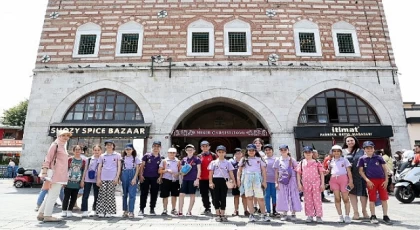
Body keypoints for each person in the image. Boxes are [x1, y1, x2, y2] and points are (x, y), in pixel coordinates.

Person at [37, 129, 72, 222]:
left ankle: (41, 213)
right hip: (55, 174)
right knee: (53, 195)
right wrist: (44, 171)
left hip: (60, 174)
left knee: (51, 194)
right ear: (58, 136)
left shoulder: (62, 146)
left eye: (67, 135)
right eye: (63, 135)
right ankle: (48, 215)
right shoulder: (55, 145)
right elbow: (48, 158)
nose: (65, 137)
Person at [358, 141, 392, 225]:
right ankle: (373, 215)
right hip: (371, 181)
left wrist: (386, 180)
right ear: (364, 149)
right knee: (372, 198)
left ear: (374, 149)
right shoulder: (362, 159)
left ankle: (385, 215)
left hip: (381, 180)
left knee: (384, 198)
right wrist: (367, 180)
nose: (369, 150)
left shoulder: (379, 157)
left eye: (371, 148)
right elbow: (361, 171)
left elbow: (385, 169)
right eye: (367, 148)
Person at [237, 144, 270, 222]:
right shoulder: (244, 159)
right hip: (247, 178)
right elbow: (239, 170)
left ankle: (263, 214)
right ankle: (251, 214)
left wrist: (264, 181)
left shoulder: (259, 159)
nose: (251, 152)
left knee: (260, 197)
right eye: (250, 150)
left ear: (255, 151)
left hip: (257, 178)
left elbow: (263, 170)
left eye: (253, 150)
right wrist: (238, 180)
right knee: (249, 197)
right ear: (247, 151)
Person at [342, 135, 368, 220]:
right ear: (345, 143)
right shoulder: (342, 152)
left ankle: (364, 211)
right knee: (352, 193)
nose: (350, 142)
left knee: (363, 193)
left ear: (355, 141)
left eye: (351, 140)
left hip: (360, 174)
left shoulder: (361, 151)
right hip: (348, 175)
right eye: (348, 141)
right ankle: (356, 212)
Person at [297, 146, 325, 223]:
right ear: (303, 154)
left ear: (312, 153)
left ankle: (319, 216)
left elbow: (322, 173)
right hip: (306, 184)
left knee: (317, 200)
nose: (308, 154)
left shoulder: (317, 162)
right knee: (307, 200)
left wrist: (322, 184)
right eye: (306, 152)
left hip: (316, 183)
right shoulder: (301, 163)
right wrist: (299, 183)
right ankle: (310, 215)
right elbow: (298, 173)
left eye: (309, 152)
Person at [274, 144, 301, 221]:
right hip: (282, 180)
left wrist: (298, 182)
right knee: (283, 196)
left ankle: (293, 213)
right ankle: (284, 213)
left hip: (292, 180)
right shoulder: (278, 160)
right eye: (281, 150)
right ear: (279, 151)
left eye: (285, 150)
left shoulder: (292, 160)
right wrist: (276, 182)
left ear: (288, 150)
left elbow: (297, 171)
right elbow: (276, 172)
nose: (283, 151)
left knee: (293, 195)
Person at [208, 145, 236, 222]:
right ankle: (217, 214)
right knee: (215, 197)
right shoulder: (213, 162)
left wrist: (234, 181)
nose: (221, 153)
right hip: (215, 180)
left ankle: (223, 214)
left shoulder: (228, 162)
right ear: (216, 153)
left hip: (224, 181)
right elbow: (210, 173)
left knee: (223, 197)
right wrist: (210, 182)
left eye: (222, 152)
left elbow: (231, 172)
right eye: (219, 152)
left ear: (225, 153)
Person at [96, 140, 122, 218]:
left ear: (113, 146)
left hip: (112, 177)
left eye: (110, 145)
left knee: (110, 195)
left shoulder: (117, 155)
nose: (109, 146)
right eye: (107, 145)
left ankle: (109, 211)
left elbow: (119, 167)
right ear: (105, 146)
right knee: (102, 194)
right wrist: (98, 178)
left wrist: (117, 177)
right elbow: (99, 167)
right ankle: (101, 211)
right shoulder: (102, 156)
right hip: (103, 177)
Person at [328, 145, 353, 224]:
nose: (336, 153)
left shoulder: (345, 160)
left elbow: (349, 171)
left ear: (341, 152)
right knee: (337, 198)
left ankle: (347, 216)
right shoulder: (330, 161)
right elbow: (329, 171)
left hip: (344, 179)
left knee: (345, 198)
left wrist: (351, 181)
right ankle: (340, 216)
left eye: (338, 151)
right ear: (332, 152)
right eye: (334, 151)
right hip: (334, 179)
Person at [61, 145, 86, 217]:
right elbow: (65, 170)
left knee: (74, 197)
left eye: (79, 149)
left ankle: (70, 210)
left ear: (81, 151)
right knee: (66, 197)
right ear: (73, 151)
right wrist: (64, 180)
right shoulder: (69, 160)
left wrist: (82, 181)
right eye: (76, 150)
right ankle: (64, 210)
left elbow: (83, 171)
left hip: (77, 182)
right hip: (68, 182)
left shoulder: (83, 161)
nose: (77, 151)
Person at [139, 141, 162, 216]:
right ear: (152, 147)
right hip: (145, 177)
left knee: (154, 193)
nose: (156, 148)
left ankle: (152, 209)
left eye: (158, 146)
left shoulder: (161, 158)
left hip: (155, 177)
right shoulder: (147, 155)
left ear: (160, 148)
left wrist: (160, 177)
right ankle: (141, 209)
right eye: (154, 146)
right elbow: (142, 166)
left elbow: (161, 169)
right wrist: (141, 175)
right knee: (143, 193)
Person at [178, 144, 201, 216]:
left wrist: (197, 179)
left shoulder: (197, 159)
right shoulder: (184, 159)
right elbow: (181, 170)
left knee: (192, 194)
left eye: (191, 149)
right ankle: (180, 211)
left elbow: (199, 170)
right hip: (185, 179)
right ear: (186, 151)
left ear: (194, 151)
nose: (190, 151)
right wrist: (181, 178)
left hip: (193, 179)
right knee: (181, 194)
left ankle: (189, 211)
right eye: (188, 149)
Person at [121, 143, 141, 218]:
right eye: (127, 149)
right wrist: (120, 178)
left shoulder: (135, 158)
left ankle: (131, 211)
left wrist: (135, 178)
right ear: (125, 150)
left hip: (133, 174)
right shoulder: (122, 158)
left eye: (129, 149)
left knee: (132, 194)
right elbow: (120, 168)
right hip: (124, 174)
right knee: (124, 194)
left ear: (132, 150)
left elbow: (137, 169)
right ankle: (125, 210)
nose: (128, 151)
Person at [81, 145, 101, 217]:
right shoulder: (89, 159)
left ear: (100, 151)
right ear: (93, 151)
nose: (97, 152)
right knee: (85, 195)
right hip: (87, 179)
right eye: (95, 150)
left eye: (98, 150)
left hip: (97, 179)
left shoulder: (102, 159)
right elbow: (85, 169)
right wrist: (82, 180)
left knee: (97, 195)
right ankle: (84, 210)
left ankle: (94, 209)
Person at [159, 147, 180, 216]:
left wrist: (178, 173)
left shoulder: (178, 161)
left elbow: (180, 171)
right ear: (168, 153)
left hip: (175, 180)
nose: (172, 154)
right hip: (165, 179)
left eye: (173, 153)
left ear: (176, 154)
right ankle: (165, 209)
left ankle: (173, 209)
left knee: (174, 195)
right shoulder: (164, 161)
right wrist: (167, 170)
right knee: (165, 195)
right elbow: (159, 171)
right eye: (170, 152)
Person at [197, 140, 216, 215]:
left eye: (206, 146)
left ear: (209, 147)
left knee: (214, 194)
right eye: (203, 146)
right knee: (204, 194)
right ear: (201, 147)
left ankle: (217, 208)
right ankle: (207, 208)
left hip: (212, 179)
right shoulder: (199, 156)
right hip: (202, 179)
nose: (205, 147)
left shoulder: (213, 155)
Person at [229, 148, 248, 216]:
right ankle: (236, 210)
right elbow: (229, 172)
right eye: (236, 153)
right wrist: (232, 180)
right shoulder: (231, 162)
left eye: (239, 153)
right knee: (236, 196)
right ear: (234, 154)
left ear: (242, 154)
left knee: (244, 196)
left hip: (244, 181)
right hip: (235, 182)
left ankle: (246, 210)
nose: (238, 155)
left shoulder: (245, 161)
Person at [263, 144, 277, 217]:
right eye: (266, 150)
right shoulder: (263, 159)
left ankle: (275, 210)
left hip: (275, 180)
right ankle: (268, 210)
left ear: (272, 150)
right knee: (267, 196)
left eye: (269, 149)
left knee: (274, 196)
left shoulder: (276, 159)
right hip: (266, 180)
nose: (268, 151)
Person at [252, 138, 265, 213]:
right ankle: (255, 206)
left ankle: (261, 206)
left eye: (259, 143)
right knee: (254, 191)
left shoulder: (263, 154)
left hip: (261, 174)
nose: (257, 144)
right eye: (255, 143)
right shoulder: (252, 153)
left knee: (260, 191)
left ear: (261, 145)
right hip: (253, 174)